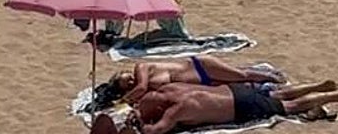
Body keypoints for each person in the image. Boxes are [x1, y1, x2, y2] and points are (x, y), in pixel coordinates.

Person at [92, 80, 338, 134]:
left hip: (240, 105)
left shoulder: (176, 108)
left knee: (291, 106)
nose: (139, 106)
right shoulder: (170, 90)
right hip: (233, 92)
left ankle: (337, 96)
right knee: (278, 94)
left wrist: (136, 125)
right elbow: (149, 103)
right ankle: (321, 85)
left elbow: (157, 130)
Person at [101, 58, 283, 108]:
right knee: (236, 86)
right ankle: (267, 85)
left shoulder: (142, 68)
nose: (132, 80)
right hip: (201, 83)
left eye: (128, 77)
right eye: (128, 84)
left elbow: (140, 87)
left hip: (200, 67)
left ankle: (272, 77)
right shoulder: (144, 90)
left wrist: (120, 102)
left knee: (241, 75)